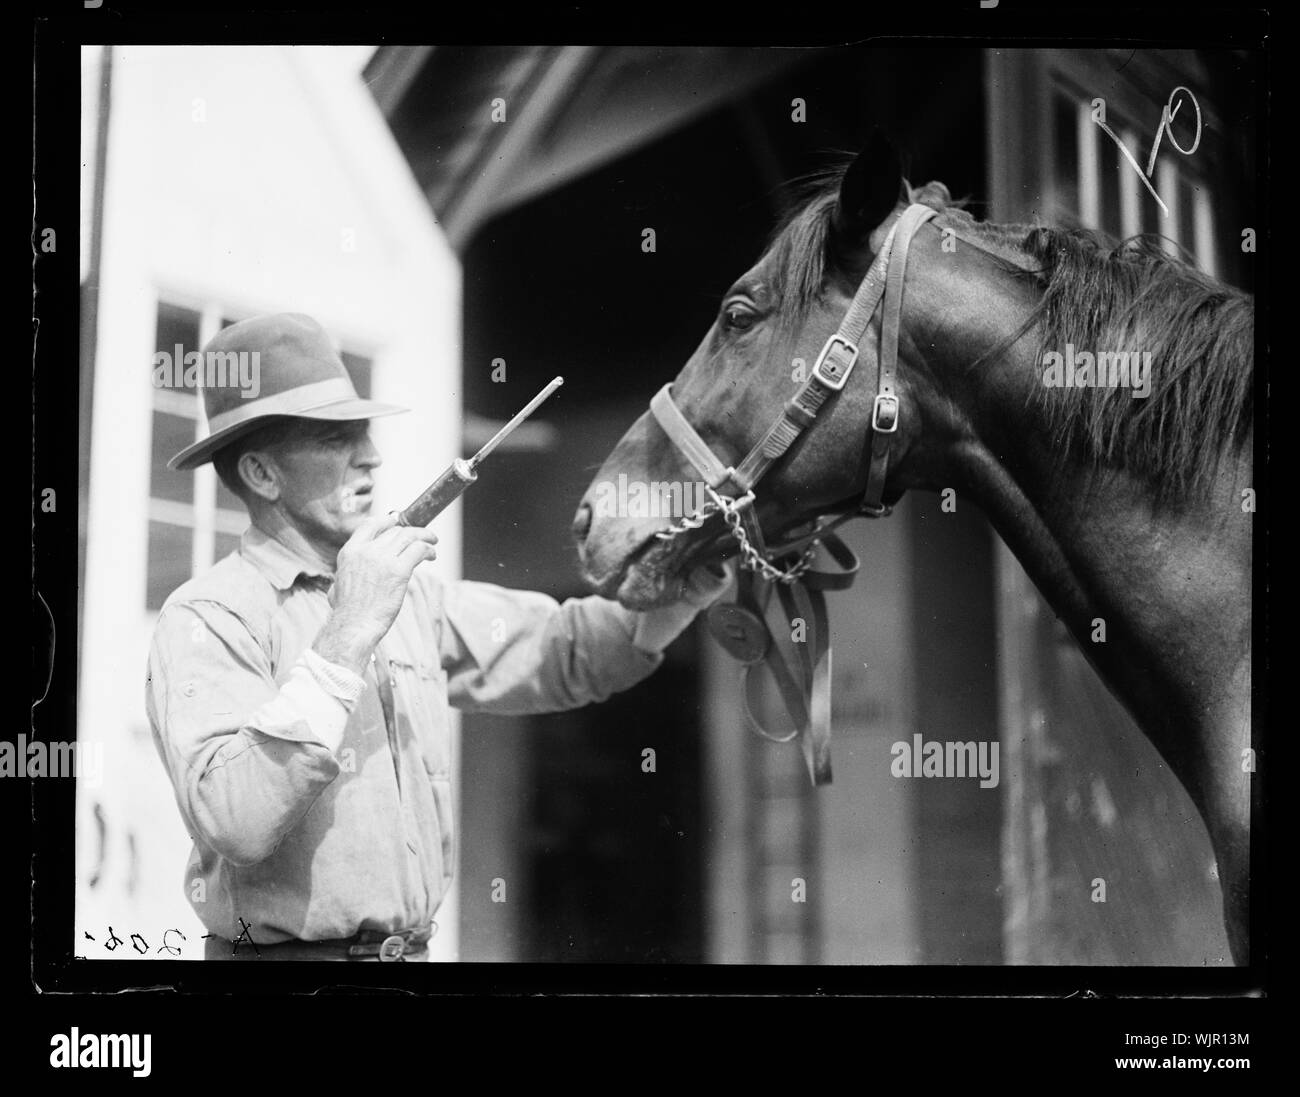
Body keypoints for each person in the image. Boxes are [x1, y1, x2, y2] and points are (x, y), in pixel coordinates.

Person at [146, 313, 730, 961]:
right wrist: (348, 632)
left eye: (362, 432)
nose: (371, 456)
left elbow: (569, 649)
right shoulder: (207, 616)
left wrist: (688, 584)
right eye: (335, 439)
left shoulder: (410, 594)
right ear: (261, 474)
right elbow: (235, 818)